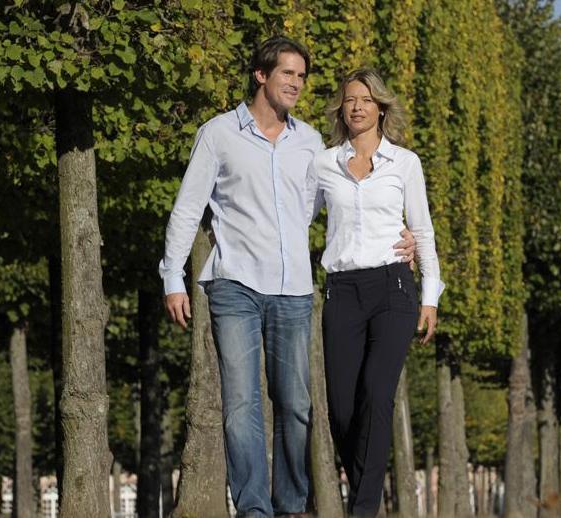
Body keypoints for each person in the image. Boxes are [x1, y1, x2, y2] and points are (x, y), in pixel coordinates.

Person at [158, 38, 415, 517]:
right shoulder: (218, 134)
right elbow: (188, 207)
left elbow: (346, 204)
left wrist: (401, 237)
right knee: (241, 406)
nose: (296, 84)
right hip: (234, 283)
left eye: (301, 76)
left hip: (295, 288)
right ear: (261, 75)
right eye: (287, 74)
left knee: (296, 407)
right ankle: (255, 509)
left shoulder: (312, 143)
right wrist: (173, 277)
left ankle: (291, 504)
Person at [305, 68, 444, 517]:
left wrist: (430, 297)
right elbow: (299, 219)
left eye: (366, 99)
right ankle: (366, 488)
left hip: (394, 287)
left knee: (377, 394)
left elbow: (421, 231)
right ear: (341, 109)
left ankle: (362, 510)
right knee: (342, 410)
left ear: (381, 107)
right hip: (342, 291)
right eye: (349, 100)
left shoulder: (405, 163)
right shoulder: (323, 164)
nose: (357, 106)